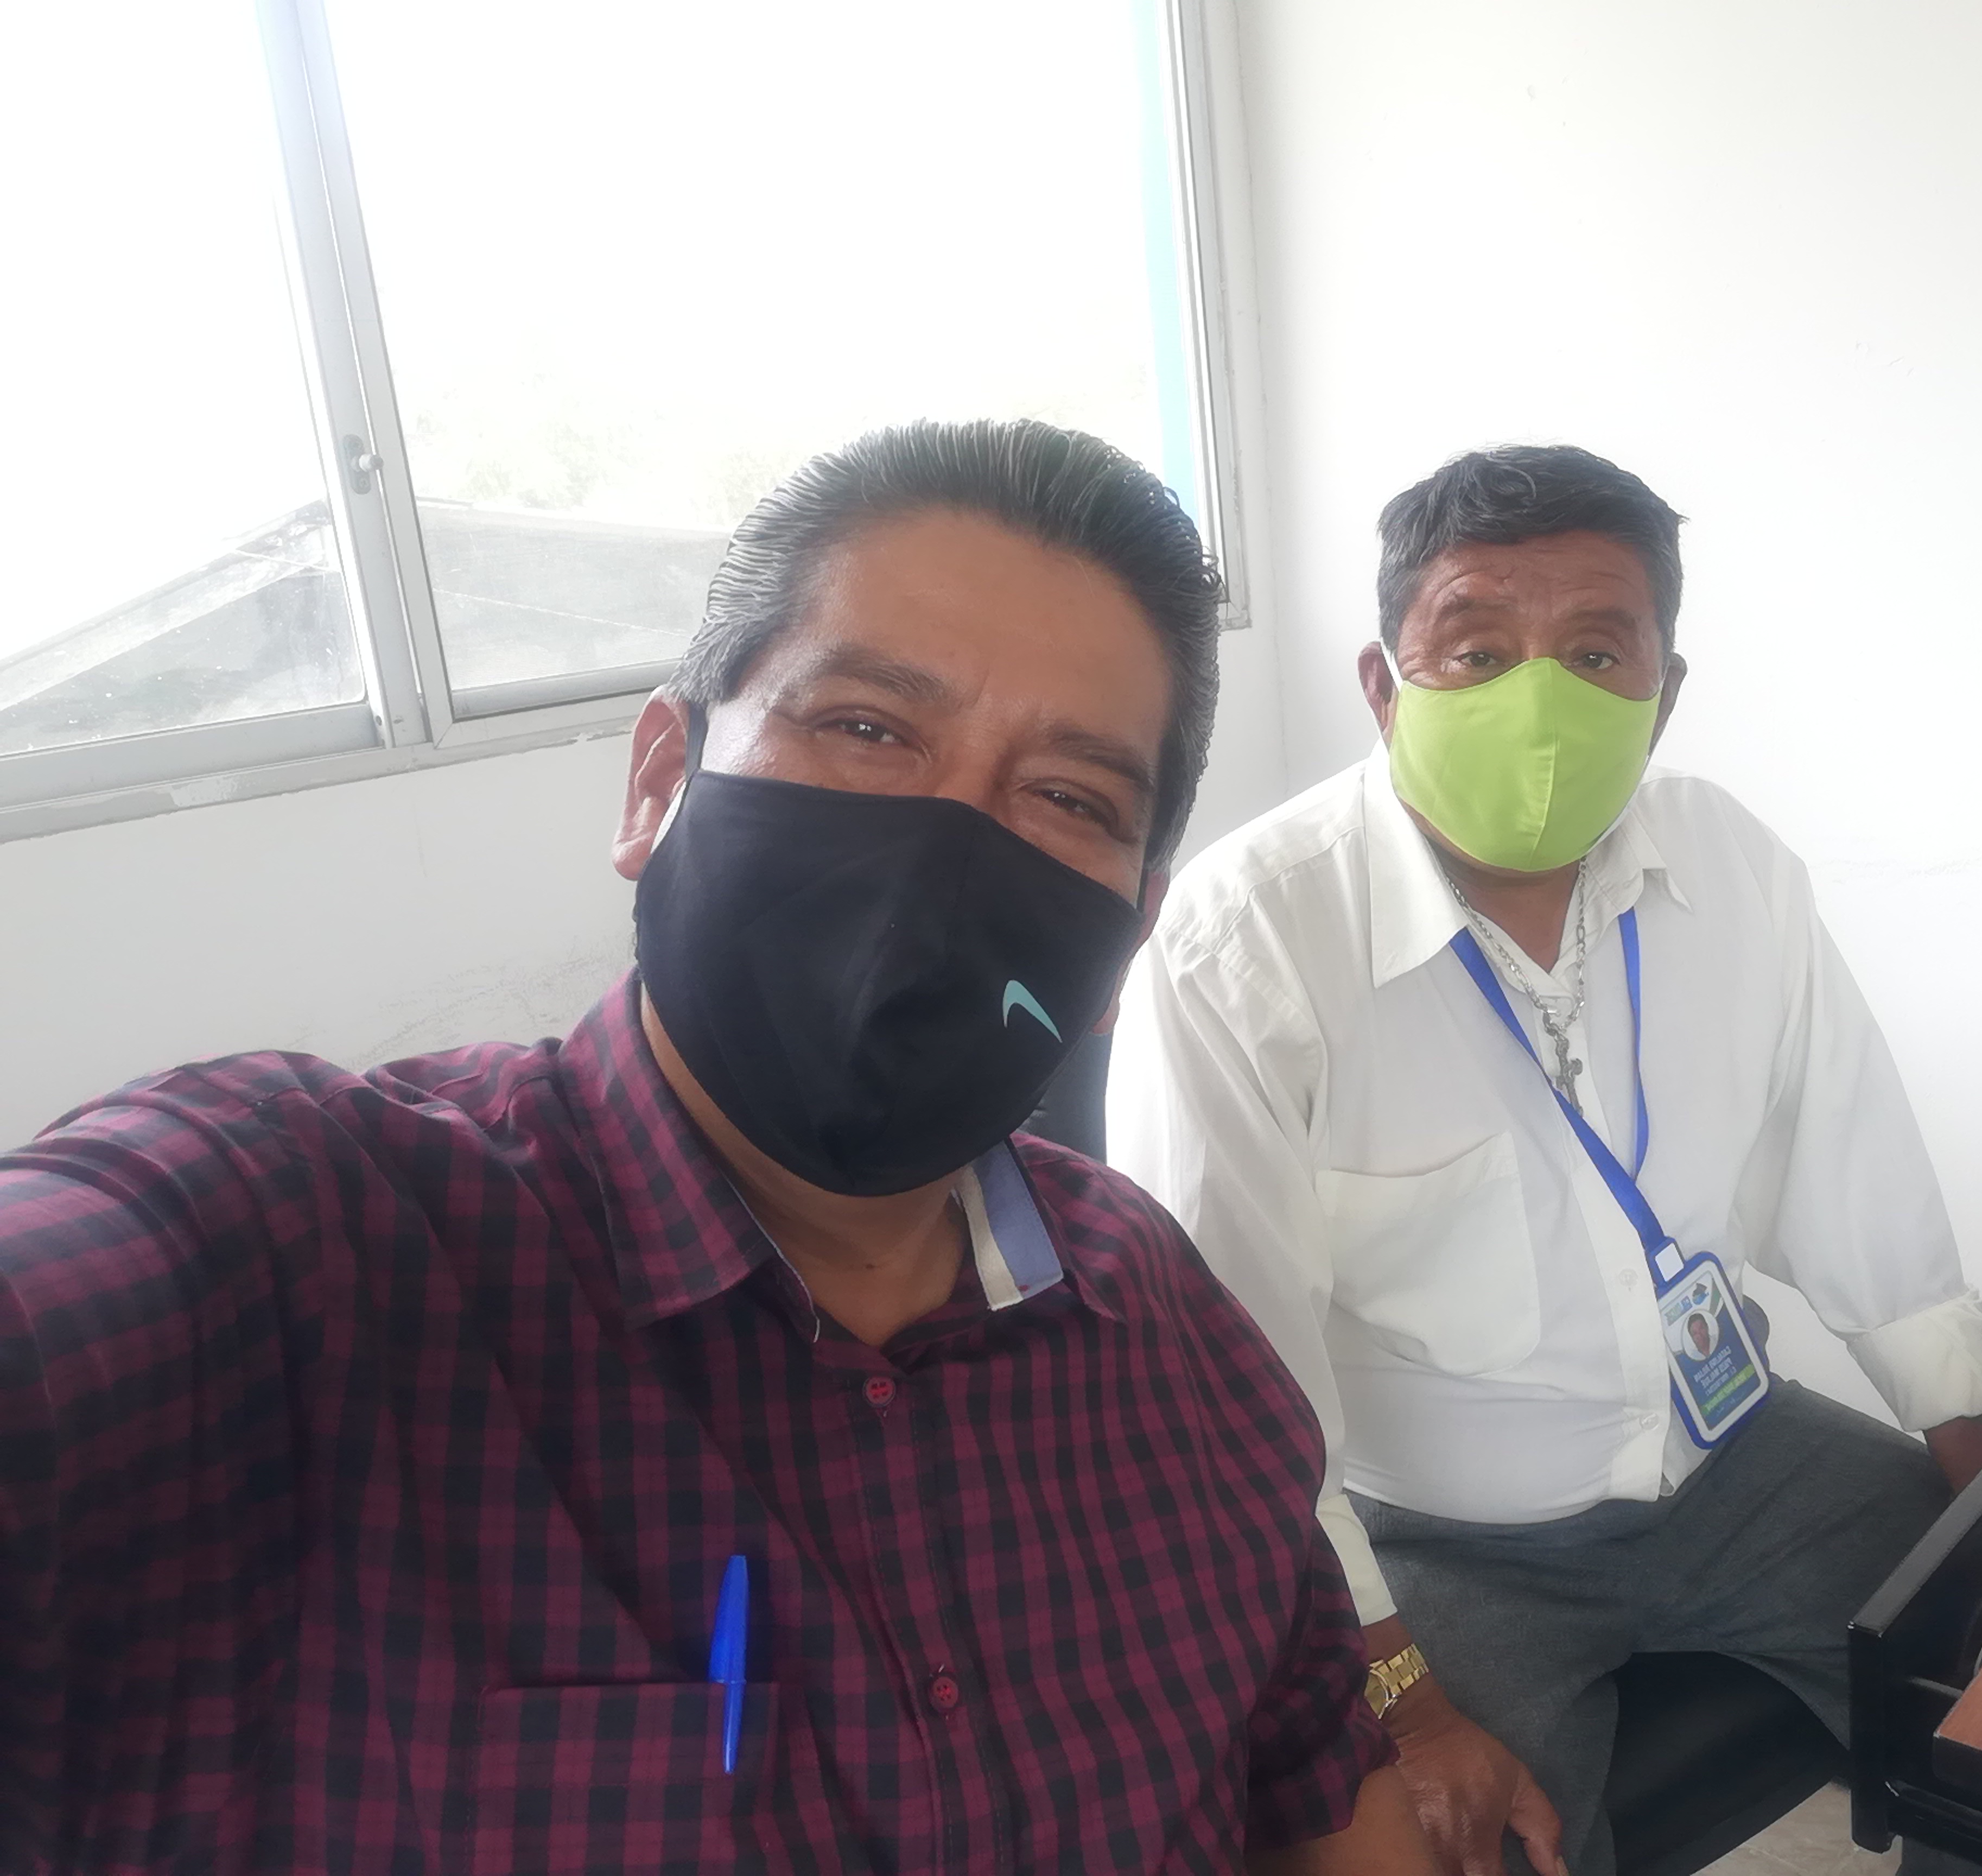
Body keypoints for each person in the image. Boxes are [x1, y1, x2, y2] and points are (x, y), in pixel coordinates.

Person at [0, 421, 1428, 1875]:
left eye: (1069, 799)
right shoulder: (293, 1253)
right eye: (866, 728)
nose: (944, 852)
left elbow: (1319, 1782)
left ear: (1127, 939)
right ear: (659, 782)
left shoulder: (1165, 1326)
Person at [1106, 445, 1982, 1876]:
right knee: (1462, 1852)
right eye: (1475, 651)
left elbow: (1857, 1177)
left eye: (1596, 653)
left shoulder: (1735, 870)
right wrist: (1400, 1704)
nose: (1540, 699)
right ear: (1383, 683)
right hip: (1436, 1540)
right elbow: (1222, 1394)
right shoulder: (1246, 945)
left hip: (1736, 1461)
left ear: (1665, 690)